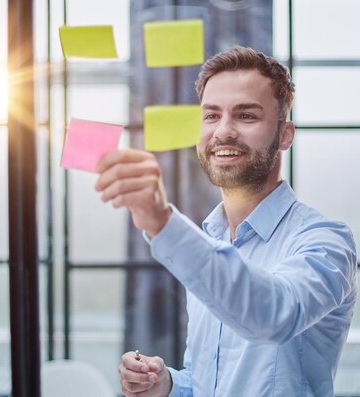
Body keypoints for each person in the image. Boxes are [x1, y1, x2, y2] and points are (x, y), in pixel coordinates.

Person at [96, 46, 357, 396]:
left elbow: (274, 316)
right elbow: (208, 380)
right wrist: (168, 384)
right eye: (211, 115)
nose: (223, 132)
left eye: (246, 116)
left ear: (285, 135)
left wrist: (161, 221)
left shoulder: (325, 241)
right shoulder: (210, 241)